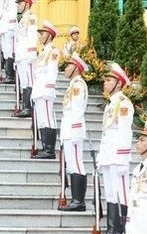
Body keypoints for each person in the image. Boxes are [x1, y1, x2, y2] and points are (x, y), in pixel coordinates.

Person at [92, 63, 133, 234]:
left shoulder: (124, 104)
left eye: (108, 80)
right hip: (109, 155)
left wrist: (123, 158)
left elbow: (125, 132)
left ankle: (119, 233)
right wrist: (102, 156)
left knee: (119, 194)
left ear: (118, 83)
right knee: (110, 193)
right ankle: (110, 231)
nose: (105, 83)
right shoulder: (111, 105)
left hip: (118, 157)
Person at [58, 53, 89, 212]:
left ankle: (79, 201)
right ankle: (76, 199)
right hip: (69, 130)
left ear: (76, 68)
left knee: (76, 163)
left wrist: (74, 132)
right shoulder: (73, 85)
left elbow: (77, 109)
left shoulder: (78, 85)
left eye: (69, 65)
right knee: (72, 164)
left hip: (74, 130)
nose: (65, 68)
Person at [31, 21, 60, 159]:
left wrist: (48, 89)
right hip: (39, 91)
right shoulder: (43, 53)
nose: (40, 37)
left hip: (46, 91)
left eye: (42, 34)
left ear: (49, 35)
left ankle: (50, 150)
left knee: (48, 119)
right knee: (42, 120)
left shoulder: (53, 51)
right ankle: (44, 147)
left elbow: (52, 72)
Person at [13, 0, 37, 118]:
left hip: (27, 56)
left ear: (27, 4)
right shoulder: (23, 18)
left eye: (20, 3)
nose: (18, 5)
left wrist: (31, 55)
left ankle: (28, 107)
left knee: (28, 81)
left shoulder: (31, 17)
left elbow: (32, 36)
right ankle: (25, 106)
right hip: (21, 56)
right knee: (23, 82)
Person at [0, 0, 16, 84]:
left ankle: (10, 75)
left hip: (10, 28)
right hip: (3, 28)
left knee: (10, 51)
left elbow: (13, 11)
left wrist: (12, 26)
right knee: (6, 52)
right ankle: (8, 75)